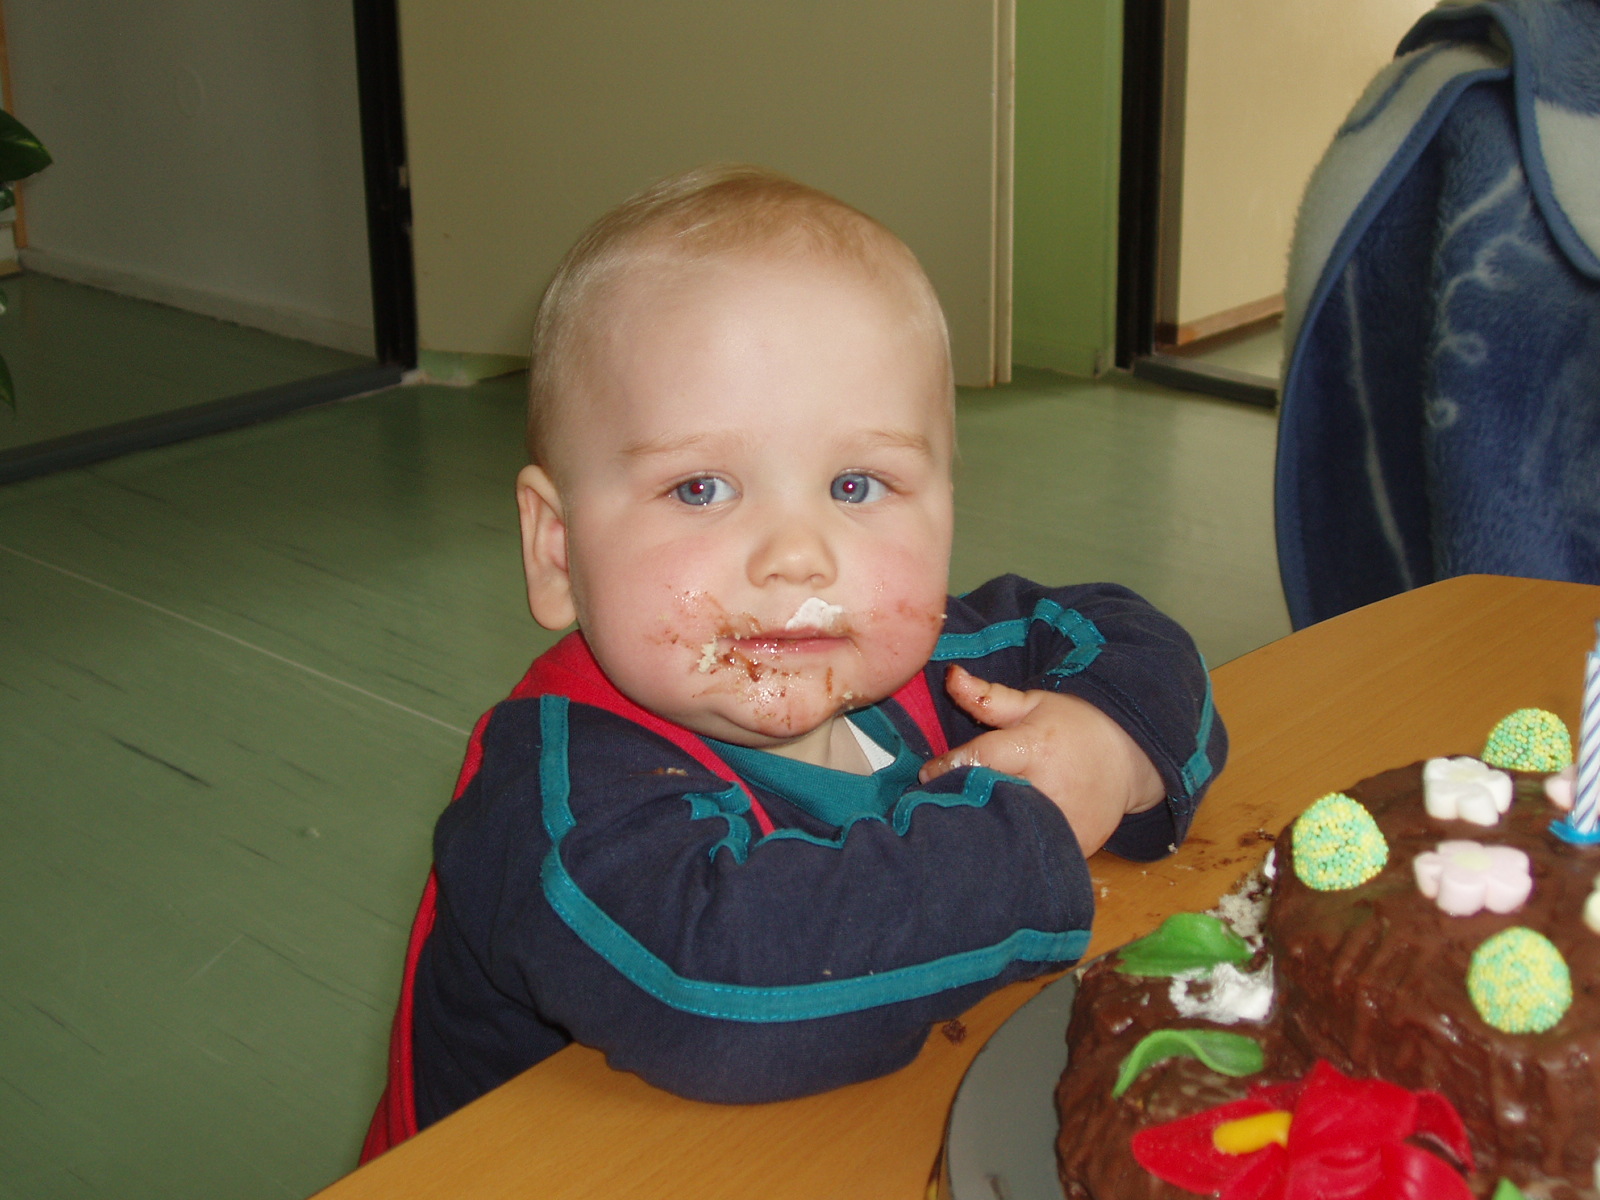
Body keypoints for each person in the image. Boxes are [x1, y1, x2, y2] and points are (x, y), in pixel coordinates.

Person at [362, 165, 1225, 1158]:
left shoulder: (938, 663)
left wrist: (1108, 746)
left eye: (855, 484)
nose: (796, 556)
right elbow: (726, 983)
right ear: (558, 552)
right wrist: (1034, 833)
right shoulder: (551, 799)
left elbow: (1133, 642)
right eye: (700, 488)